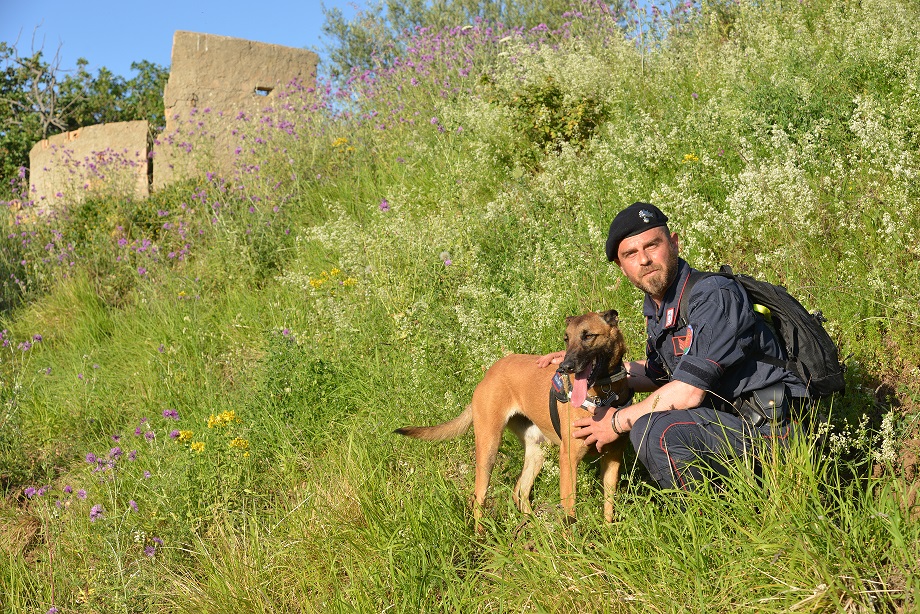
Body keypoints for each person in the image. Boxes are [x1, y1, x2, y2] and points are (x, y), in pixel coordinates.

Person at [539, 202, 809, 490]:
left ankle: (718, 519)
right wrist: (587, 362)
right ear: (621, 267)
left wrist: (616, 421)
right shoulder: (661, 309)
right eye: (631, 254)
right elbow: (659, 376)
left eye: (652, 245)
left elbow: (688, 391)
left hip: (772, 433)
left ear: (674, 244)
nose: (644, 260)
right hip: (728, 424)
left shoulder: (712, 296)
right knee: (651, 420)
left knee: (653, 429)